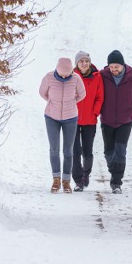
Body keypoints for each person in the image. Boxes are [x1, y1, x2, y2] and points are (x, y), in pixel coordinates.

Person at [39, 58, 86, 194]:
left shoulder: (76, 79)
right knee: (54, 149)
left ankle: (66, 181)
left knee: (68, 151)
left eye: (67, 74)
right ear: (57, 70)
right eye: (62, 74)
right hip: (51, 117)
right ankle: (56, 179)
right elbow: (42, 92)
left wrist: (71, 104)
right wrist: (52, 102)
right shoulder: (48, 77)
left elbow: (82, 94)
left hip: (70, 117)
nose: (65, 76)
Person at [99, 50, 132, 194]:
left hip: (125, 121)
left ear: (122, 65)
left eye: (116, 66)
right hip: (107, 120)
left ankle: (116, 182)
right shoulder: (103, 76)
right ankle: (114, 170)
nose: (113, 69)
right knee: (108, 152)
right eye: (111, 66)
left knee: (121, 151)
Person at [72, 51, 104, 192]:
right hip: (73, 119)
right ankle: (78, 180)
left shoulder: (97, 77)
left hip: (90, 120)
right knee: (75, 151)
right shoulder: (72, 76)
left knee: (87, 151)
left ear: (89, 62)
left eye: (86, 61)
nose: (84, 63)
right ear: (77, 64)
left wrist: (95, 112)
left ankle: (86, 174)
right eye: (81, 61)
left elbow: (100, 97)